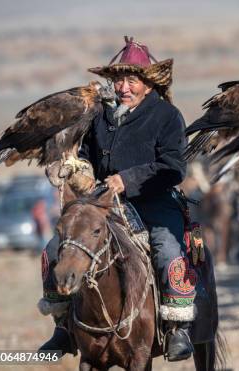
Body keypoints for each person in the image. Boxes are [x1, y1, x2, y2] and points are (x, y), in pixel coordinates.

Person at [38, 37, 194, 361]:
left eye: (131, 80)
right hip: (101, 202)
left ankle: (176, 327)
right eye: (118, 80)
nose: (123, 87)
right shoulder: (101, 116)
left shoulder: (167, 116)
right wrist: (76, 169)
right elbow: (86, 155)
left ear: (148, 84)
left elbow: (174, 167)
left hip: (153, 200)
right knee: (58, 247)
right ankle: (64, 325)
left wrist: (128, 179)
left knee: (167, 247)